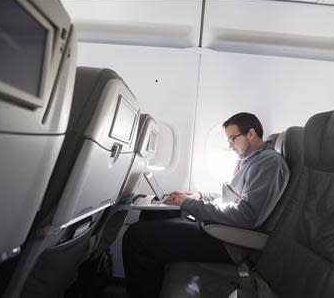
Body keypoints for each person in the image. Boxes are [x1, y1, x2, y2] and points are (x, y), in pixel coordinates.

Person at [122, 112, 290, 298]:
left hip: (231, 241)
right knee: (152, 214)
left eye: (233, 139)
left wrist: (190, 204)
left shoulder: (269, 163)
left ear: (251, 133)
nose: (230, 145)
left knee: (135, 237)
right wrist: (200, 196)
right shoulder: (250, 161)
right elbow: (231, 198)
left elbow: (247, 215)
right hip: (222, 229)